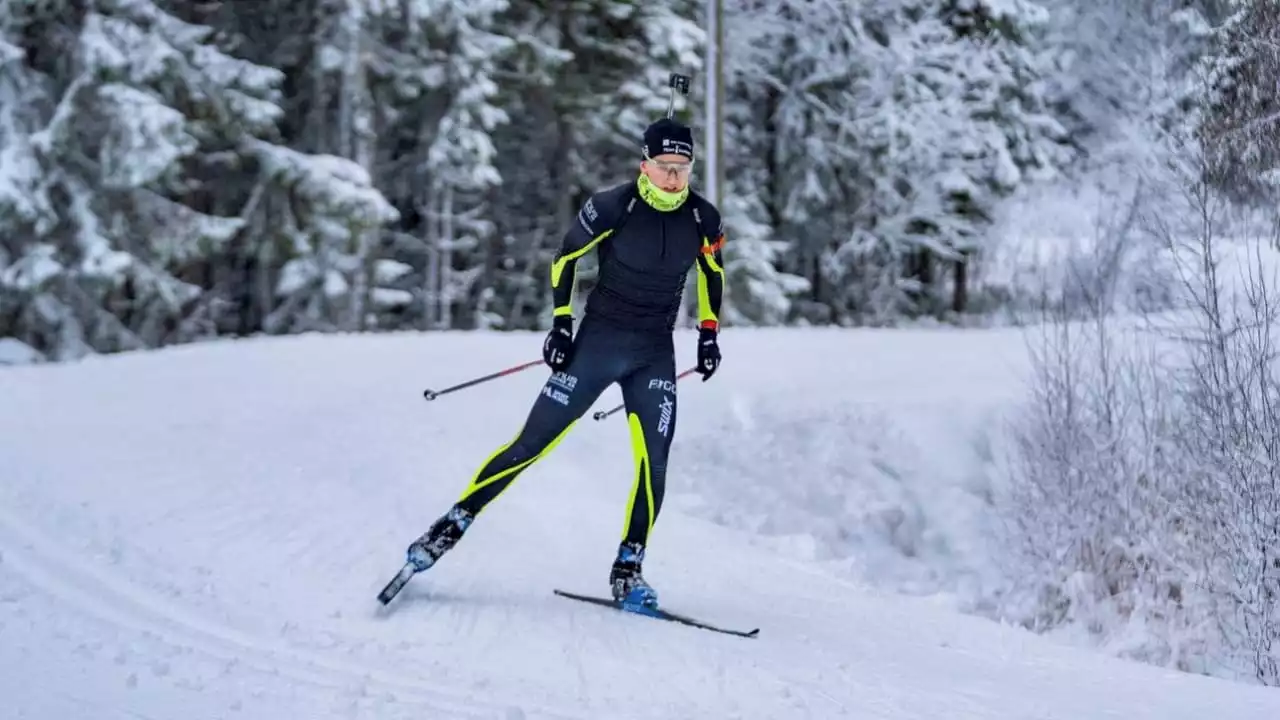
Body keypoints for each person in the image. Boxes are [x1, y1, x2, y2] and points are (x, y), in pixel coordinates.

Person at [402, 116, 725, 608]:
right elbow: (566, 258)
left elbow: (712, 272)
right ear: (645, 165)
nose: (675, 177)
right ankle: (450, 525)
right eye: (665, 166)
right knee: (531, 445)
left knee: (653, 465)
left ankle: (628, 570)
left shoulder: (703, 218)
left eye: (683, 167)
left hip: (654, 354)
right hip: (598, 344)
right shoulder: (613, 206)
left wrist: (707, 334)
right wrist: (560, 323)